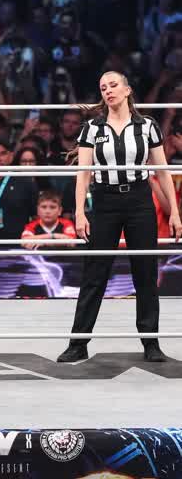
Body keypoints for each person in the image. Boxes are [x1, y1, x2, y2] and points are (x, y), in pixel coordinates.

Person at [58, 71, 182, 364]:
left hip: (139, 200)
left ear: (127, 90)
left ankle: (151, 342)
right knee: (95, 272)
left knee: (145, 272)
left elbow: (163, 171)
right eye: (103, 88)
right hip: (104, 201)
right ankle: (78, 342)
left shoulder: (147, 126)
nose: (108, 91)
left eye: (113, 85)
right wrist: (79, 212)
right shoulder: (92, 128)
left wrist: (175, 213)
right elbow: (83, 173)